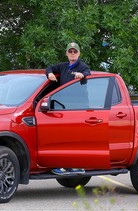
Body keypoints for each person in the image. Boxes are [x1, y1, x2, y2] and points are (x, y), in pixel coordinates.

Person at [45, 42, 91, 176]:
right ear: (66, 53)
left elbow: (87, 72)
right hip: (64, 109)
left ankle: (77, 166)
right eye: (70, 51)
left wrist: (82, 75)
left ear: (79, 53)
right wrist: (50, 74)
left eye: (74, 51)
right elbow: (49, 68)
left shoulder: (82, 67)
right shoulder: (63, 66)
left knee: (75, 139)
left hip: (78, 109)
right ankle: (65, 165)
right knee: (64, 139)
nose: (72, 53)